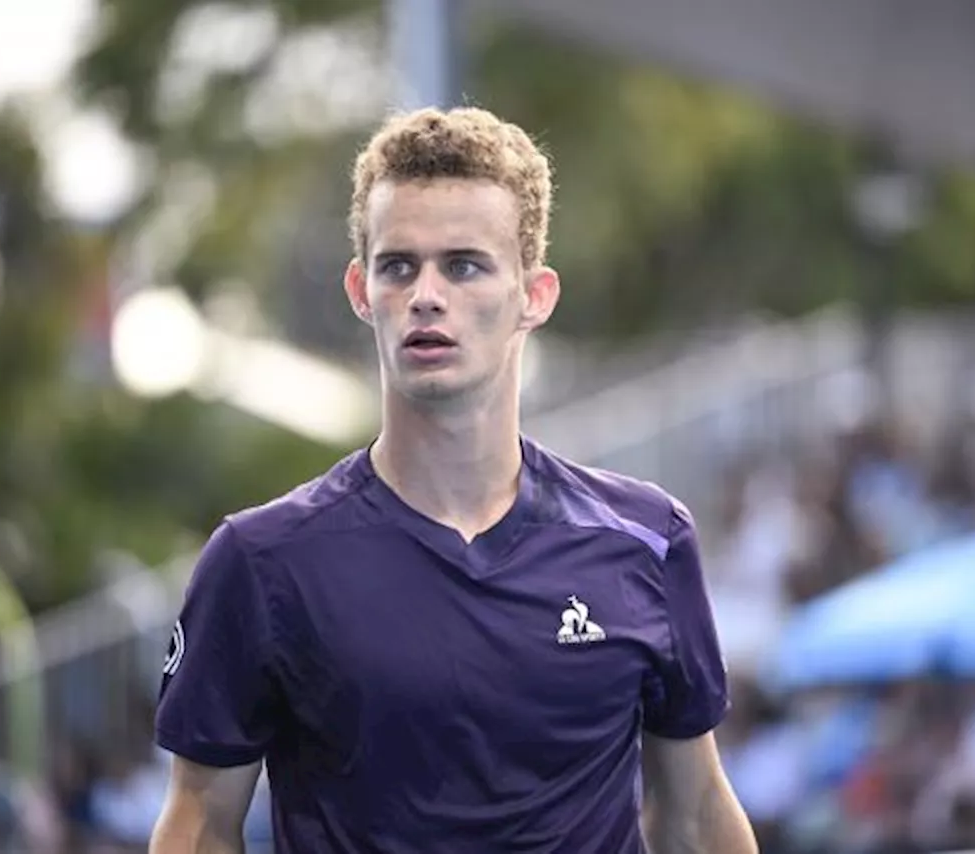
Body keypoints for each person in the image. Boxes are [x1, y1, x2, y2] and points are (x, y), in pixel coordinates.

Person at [149, 106, 756, 854]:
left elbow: (693, 812)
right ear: (360, 290)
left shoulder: (648, 540)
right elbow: (199, 825)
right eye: (398, 266)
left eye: (464, 265)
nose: (426, 295)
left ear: (534, 296)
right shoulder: (261, 562)